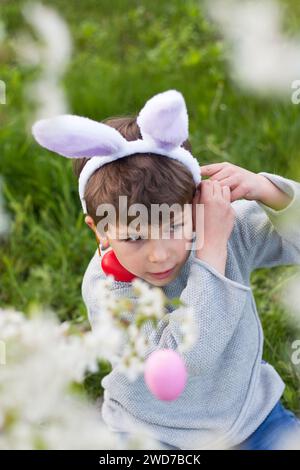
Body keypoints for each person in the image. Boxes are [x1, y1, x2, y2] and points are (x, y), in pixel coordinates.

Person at [32, 89, 300, 450]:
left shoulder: (221, 228)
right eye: (135, 237)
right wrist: (210, 254)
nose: (159, 255)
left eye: (173, 226)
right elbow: (187, 359)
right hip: (152, 431)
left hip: (249, 418)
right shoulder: (108, 287)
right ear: (99, 231)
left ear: (195, 205)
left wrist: (269, 191)